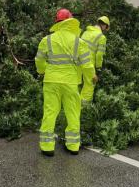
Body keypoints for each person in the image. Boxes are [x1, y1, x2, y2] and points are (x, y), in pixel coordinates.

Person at [35, 8, 95, 157]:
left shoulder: (46, 40)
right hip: (70, 82)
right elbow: (87, 64)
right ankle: (73, 146)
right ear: (70, 21)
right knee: (73, 113)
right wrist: (92, 77)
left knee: (50, 113)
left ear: (57, 23)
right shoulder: (79, 42)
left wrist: (42, 71)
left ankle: (47, 147)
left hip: (51, 81)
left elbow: (39, 60)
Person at [80, 16, 109, 102]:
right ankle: (83, 108)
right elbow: (99, 55)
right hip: (88, 64)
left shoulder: (85, 32)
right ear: (105, 26)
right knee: (89, 85)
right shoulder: (101, 37)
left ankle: (74, 106)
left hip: (77, 62)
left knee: (78, 84)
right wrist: (98, 67)